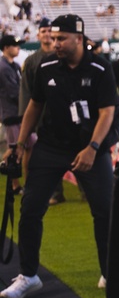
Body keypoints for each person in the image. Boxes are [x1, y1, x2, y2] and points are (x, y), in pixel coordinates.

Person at [1, 14, 119, 298]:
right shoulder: (46, 66)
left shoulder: (100, 67)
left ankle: (111, 272)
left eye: (61, 38)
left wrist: (93, 147)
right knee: (30, 208)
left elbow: (108, 111)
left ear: (78, 38)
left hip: (91, 145)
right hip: (52, 145)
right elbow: (35, 105)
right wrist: (18, 144)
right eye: (53, 38)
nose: (55, 43)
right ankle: (28, 275)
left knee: (105, 211)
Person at [17, 18, 62, 204]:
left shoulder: (63, 56)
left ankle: (86, 191)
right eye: (43, 31)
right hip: (41, 116)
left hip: (63, 115)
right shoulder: (31, 60)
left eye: (49, 30)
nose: (46, 34)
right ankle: (50, 191)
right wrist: (25, 122)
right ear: (38, 35)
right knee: (43, 156)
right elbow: (26, 92)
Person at [0, 35, 23, 192]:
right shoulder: (3, 67)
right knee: (14, 148)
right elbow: (13, 92)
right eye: (14, 45)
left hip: (16, 112)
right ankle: (14, 184)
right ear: (6, 47)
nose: (18, 48)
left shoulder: (13, 65)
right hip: (10, 113)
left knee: (22, 146)